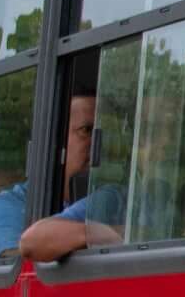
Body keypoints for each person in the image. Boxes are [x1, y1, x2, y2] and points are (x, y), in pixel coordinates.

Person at [15, 88, 124, 263]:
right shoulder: (8, 204)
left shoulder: (118, 196)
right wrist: (123, 234)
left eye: (110, 134)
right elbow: (28, 247)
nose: (101, 145)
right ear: (56, 141)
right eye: (87, 130)